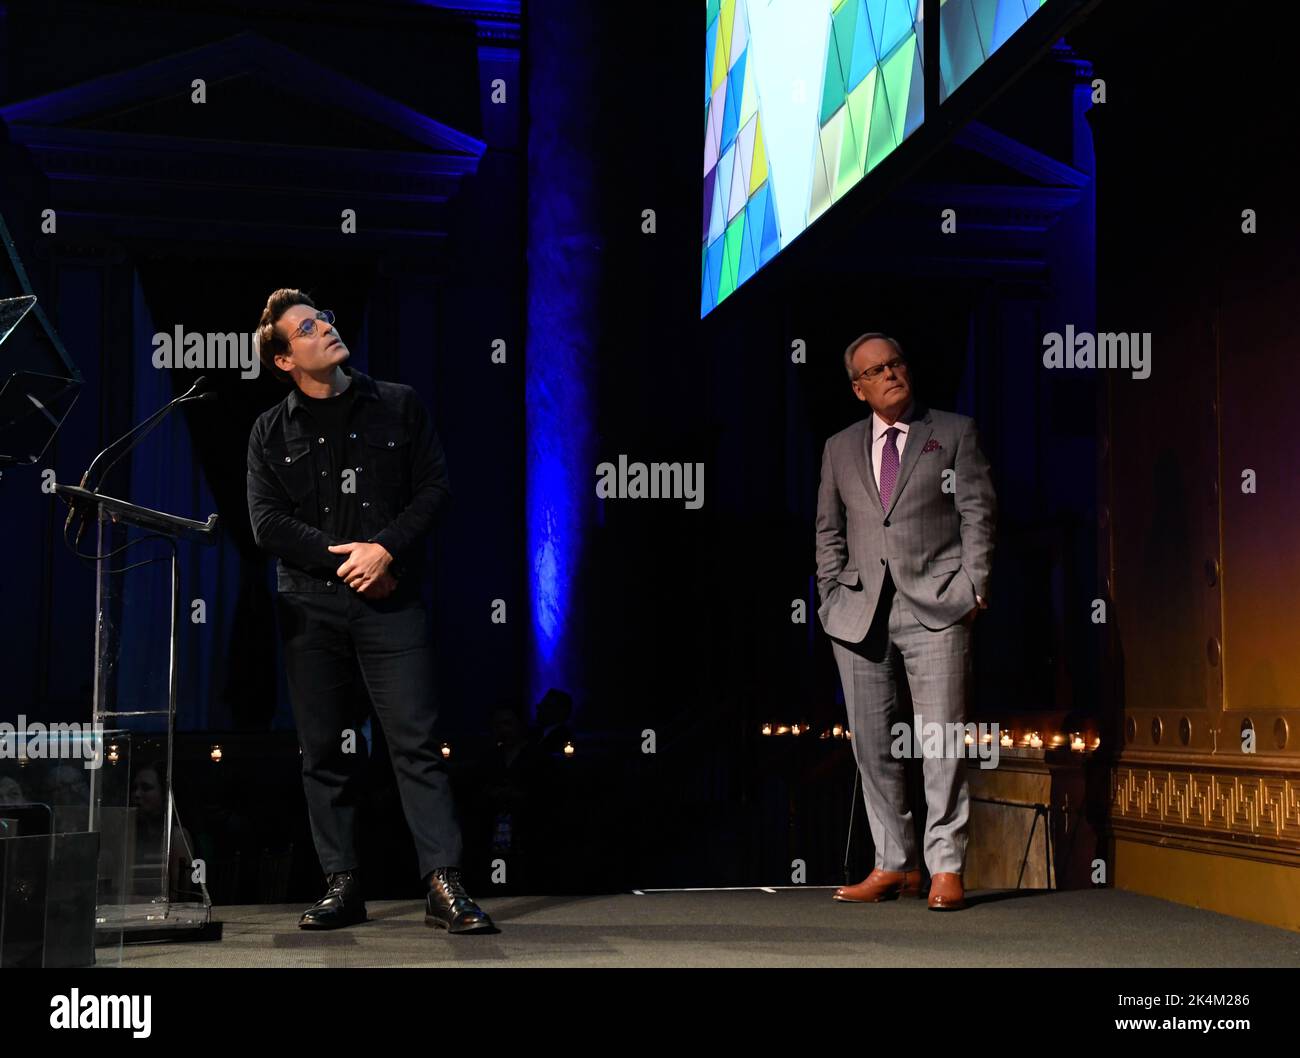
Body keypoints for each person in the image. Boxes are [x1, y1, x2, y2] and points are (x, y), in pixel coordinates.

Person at [246, 288, 493, 934]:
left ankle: (444, 882)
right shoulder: (270, 432)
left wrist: (385, 551)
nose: (325, 327)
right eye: (306, 327)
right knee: (323, 751)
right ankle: (342, 884)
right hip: (311, 608)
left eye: (324, 317)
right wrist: (349, 559)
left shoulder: (398, 405)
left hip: (393, 603)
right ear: (284, 360)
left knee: (414, 742)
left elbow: (435, 490)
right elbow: (267, 523)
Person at [815, 333, 996, 911]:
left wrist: (973, 587)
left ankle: (945, 866)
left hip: (937, 605)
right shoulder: (839, 447)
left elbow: (979, 515)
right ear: (858, 387)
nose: (891, 374)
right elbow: (827, 531)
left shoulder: (953, 431)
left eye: (896, 363)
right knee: (872, 745)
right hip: (857, 614)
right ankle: (893, 863)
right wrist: (829, 595)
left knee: (941, 739)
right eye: (876, 370)